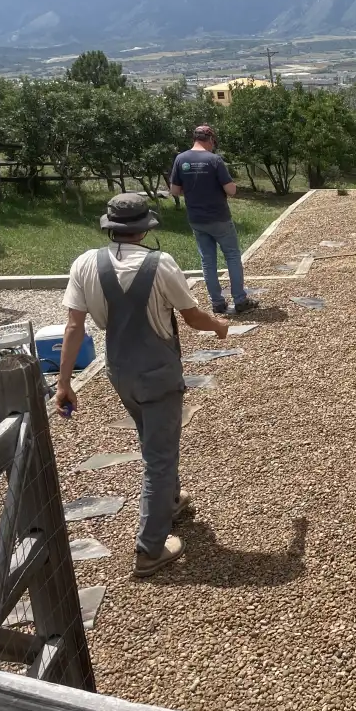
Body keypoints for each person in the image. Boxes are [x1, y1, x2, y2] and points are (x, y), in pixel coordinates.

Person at [55, 193, 230, 577]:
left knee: (154, 438)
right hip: (157, 372)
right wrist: (219, 326)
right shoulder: (160, 263)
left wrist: (65, 383)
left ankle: (170, 502)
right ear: (145, 227)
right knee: (159, 458)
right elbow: (192, 317)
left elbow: (73, 326)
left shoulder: (85, 263)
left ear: (111, 227)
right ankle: (150, 549)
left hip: (120, 372)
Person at [169, 125, 258, 314]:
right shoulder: (214, 160)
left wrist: (192, 190)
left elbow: (175, 191)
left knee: (208, 261)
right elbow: (231, 190)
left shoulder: (181, 159)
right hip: (219, 218)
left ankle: (217, 303)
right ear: (209, 139)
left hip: (197, 219)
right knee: (232, 256)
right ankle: (240, 300)